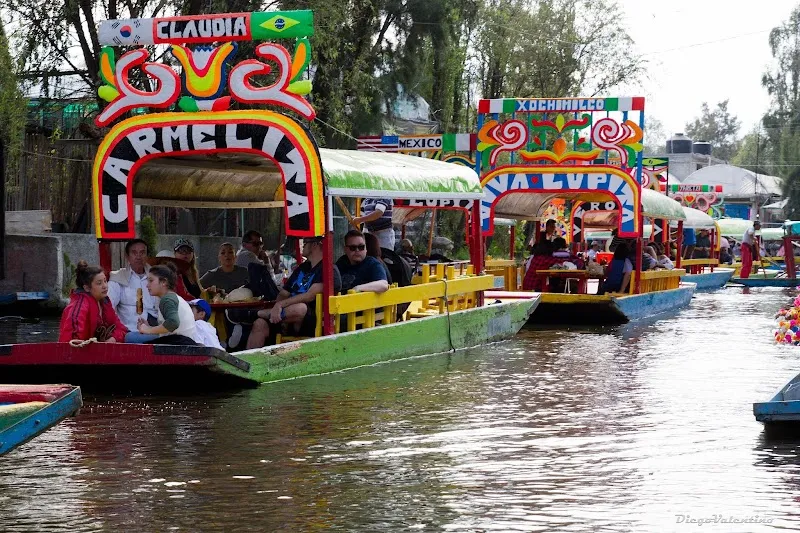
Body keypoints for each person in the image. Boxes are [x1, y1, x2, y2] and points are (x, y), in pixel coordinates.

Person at [246, 236, 330, 348]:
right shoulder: (302, 268)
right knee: (259, 324)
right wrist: (277, 307)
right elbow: (284, 293)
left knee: (300, 308)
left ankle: (253, 314)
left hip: (310, 321)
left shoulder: (328, 269)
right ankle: (250, 363)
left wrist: (280, 305)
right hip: (283, 317)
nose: (302, 245)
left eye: (305, 243)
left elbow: (309, 296)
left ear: (315, 245)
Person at [59, 261, 127, 343]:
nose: (105, 286)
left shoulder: (104, 302)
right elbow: (72, 340)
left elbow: (121, 328)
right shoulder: (79, 305)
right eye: (99, 283)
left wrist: (113, 339)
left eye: (105, 281)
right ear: (87, 288)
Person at [108, 239, 160, 342]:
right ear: (127, 257)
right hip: (129, 331)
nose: (138, 256)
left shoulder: (157, 278)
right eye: (134, 252)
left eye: (142, 252)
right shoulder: (117, 278)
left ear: (147, 256)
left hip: (154, 330)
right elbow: (108, 306)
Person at [136, 263, 198, 345]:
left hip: (180, 343)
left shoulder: (167, 299)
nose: (147, 285)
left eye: (151, 280)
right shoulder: (172, 298)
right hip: (183, 343)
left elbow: (173, 323)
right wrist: (150, 327)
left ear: (163, 282)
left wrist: (148, 330)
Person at [336, 230, 390, 294]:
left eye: (361, 247)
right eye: (353, 247)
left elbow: (383, 285)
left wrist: (357, 288)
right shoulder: (341, 262)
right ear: (345, 249)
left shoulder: (372, 263)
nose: (357, 250)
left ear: (366, 249)